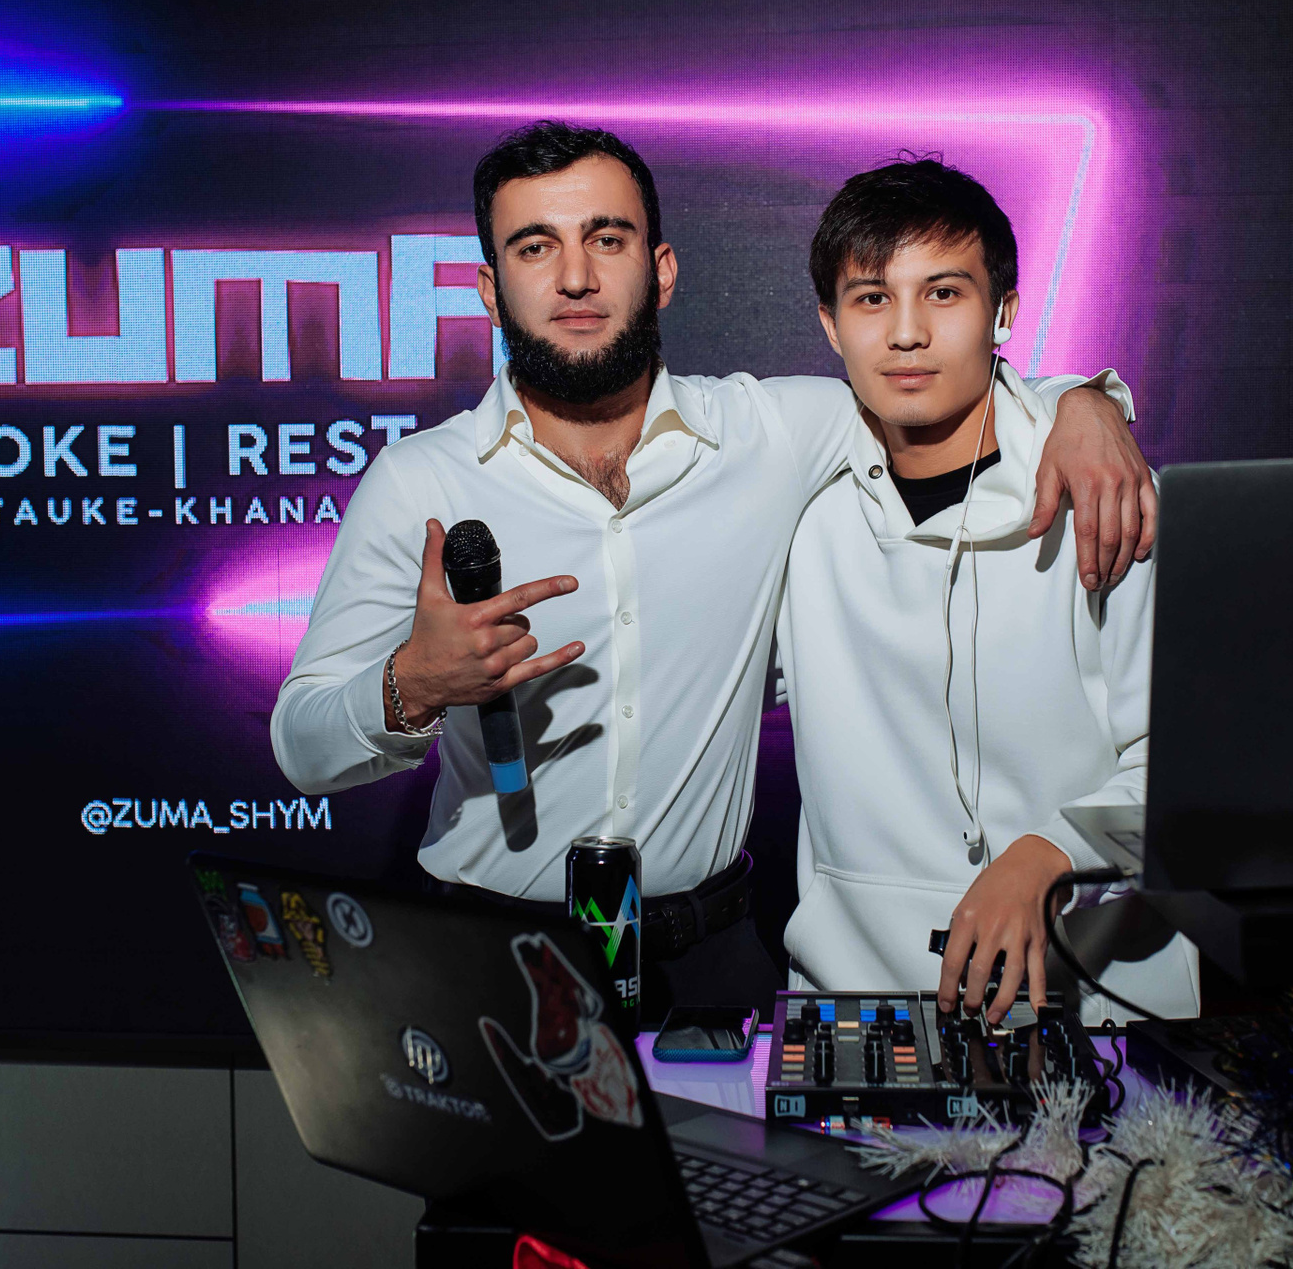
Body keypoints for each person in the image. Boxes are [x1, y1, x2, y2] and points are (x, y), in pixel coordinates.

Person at [271, 122, 1156, 1018]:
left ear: (660, 270)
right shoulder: (419, 481)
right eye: (535, 247)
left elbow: (947, 383)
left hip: (707, 963)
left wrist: (1084, 404)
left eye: (606, 239)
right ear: (489, 291)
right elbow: (302, 746)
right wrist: (409, 687)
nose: (574, 277)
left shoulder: (773, 434)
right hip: (488, 956)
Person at [776, 158, 1196, 1026]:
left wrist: (1052, 852)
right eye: (871, 299)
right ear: (829, 326)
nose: (906, 334)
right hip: (854, 1009)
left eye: (943, 293)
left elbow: (1189, 762)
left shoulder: (1103, 493)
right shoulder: (794, 505)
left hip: (1099, 1012)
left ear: (1003, 312)